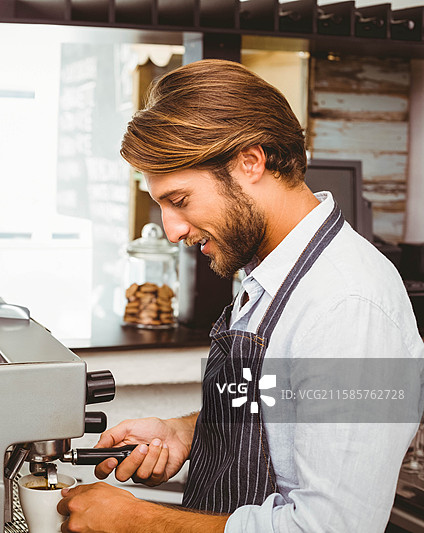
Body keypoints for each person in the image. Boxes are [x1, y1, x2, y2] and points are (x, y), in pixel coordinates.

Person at [57, 59, 424, 532]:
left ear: (251, 162)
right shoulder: (274, 270)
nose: (172, 230)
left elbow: (333, 527)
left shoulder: (348, 305)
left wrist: (134, 520)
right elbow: (288, 403)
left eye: (180, 200)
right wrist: (190, 432)